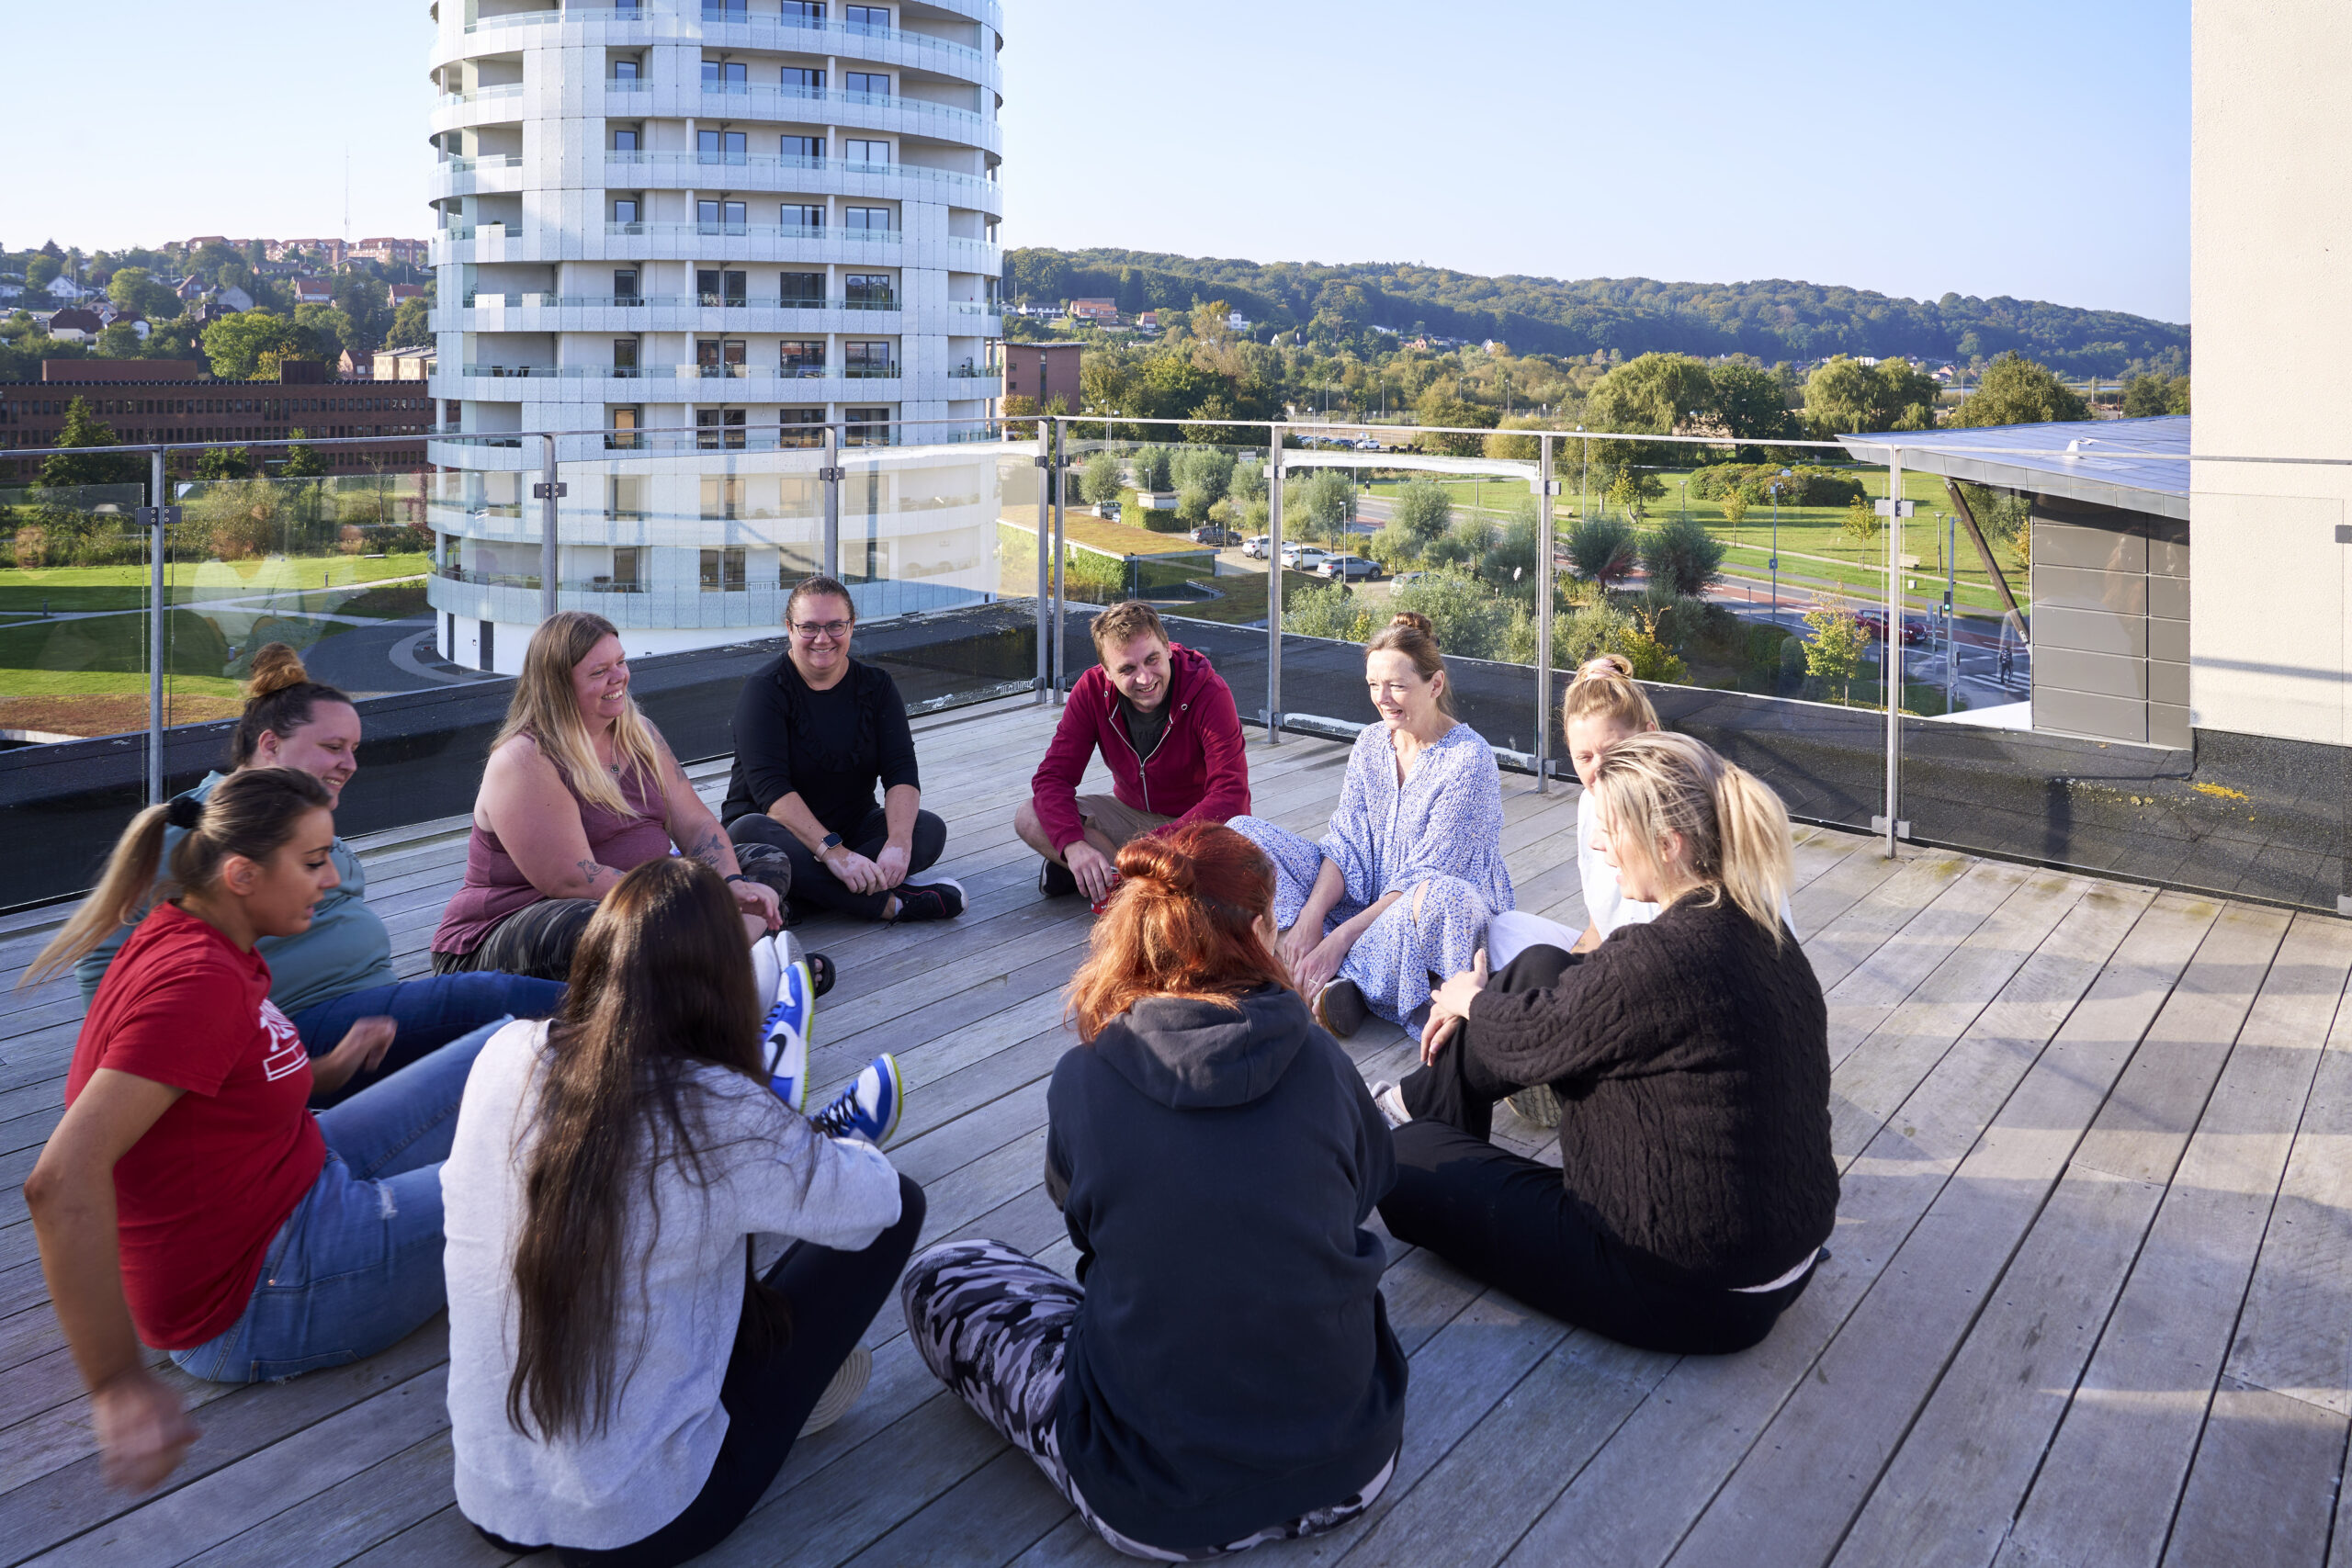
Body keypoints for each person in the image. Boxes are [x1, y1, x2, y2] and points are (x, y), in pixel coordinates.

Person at [901, 822, 1406, 1561]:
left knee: (938, 1275)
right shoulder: (1321, 1061)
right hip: (1354, 1464)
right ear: (1259, 930)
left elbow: (1084, 1223)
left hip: (1159, 1500)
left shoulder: (1089, 1075)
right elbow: (1368, 1187)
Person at [21, 769, 503, 1493]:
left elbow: (227, 1080)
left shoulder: (202, 928)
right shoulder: (195, 984)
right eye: (313, 861)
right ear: (241, 873)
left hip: (297, 1175)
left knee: (511, 1047)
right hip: (260, 1290)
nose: (333, 879)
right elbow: (58, 1183)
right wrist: (118, 1382)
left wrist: (329, 1067)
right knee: (544, 1173)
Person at [443, 858, 924, 1567]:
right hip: (647, 1520)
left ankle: (792, 1157)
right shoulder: (713, 1109)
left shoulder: (503, 1053)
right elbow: (880, 1203)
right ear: (724, 986)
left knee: (678, 1214)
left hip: (491, 1498)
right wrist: (763, 1115)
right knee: (894, 1200)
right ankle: (807, 1146)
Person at [1374, 732, 1838, 1355]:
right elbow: (1562, 1009)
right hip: (1785, 1251)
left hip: (1690, 1284)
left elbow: (1528, 1041)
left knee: (1403, 1164)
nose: (1599, 842)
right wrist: (1484, 1001)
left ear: (1669, 846)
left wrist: (1466, 998)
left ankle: (1421, 1124)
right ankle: (1428, 1109)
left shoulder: (1659, 958)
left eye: (1612, 828)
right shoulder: (1758, 922)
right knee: (1541, 964)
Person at [74, 644, 562, 1106]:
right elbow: (102, 965)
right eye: (333, 747)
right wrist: (180, 1069)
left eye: (353, 749)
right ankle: (628, 1015)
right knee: (494, 1001)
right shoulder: (198, 828)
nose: (349, 764)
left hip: (369, 1016)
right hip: (298, 1035)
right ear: (270, 745)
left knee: (510, 1063)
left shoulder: (302, 825)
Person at [432, 612, 786, 983]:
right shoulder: (524, 759)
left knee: (763, 861)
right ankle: (737, 972)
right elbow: (571, 881)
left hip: (650, 899)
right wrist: (684, 898)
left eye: (620, 662)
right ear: (558, 686)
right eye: (599, 672)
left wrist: (730, 885)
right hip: (507, 929)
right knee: (601, 926)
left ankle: (714, 967)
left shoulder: (640, 734)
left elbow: (696, 825)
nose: (619, 677)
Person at [1227, 612, 1511, 1039]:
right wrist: (1308, 920)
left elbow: (1425, 876)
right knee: (1240, 833)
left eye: (1397, 685)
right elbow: (1346, 844)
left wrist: (1336, 940)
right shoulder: (1370, 744)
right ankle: (1311, 959)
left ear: (1435, 685)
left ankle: (1340, 976)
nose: (1383, 698)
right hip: (1363, 901)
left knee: (1443, 898)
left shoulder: (1468, 760)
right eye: (1374, 684)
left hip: (1422, 913)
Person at [718, 576, 965, 924]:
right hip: (779, 832)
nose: (823, 638)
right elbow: (771, 793)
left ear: (852, 626)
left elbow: (901, 771)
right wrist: (834, 853)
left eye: (835, 625)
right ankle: (889, 905)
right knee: (749, 830)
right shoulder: (764, 691)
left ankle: (798, 899)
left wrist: (896, 843)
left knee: (926, 830)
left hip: (852, 826)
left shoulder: (876, 686)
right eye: (809, 627)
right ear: (789, 628)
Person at [1014, 600, 1252, 905]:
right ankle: (1121, 881)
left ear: (1167, 648)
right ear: (1107, 672)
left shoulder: (1209, 693)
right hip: (1131, 818)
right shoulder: (1091, 691)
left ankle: (1109, 879)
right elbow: (1053, 778)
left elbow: (1231, 795)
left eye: (1152, 659)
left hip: (1199, 825)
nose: (1145, 678)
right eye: (1127, 668)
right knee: (1030, 815)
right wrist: (1074, 846)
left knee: (1217, 879)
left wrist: (1151, 846)